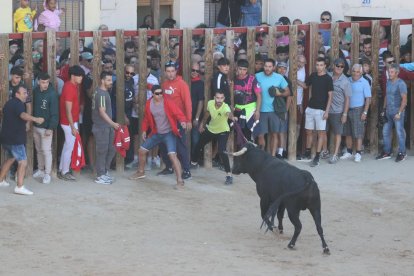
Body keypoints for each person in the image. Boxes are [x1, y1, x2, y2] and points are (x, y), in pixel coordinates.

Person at [129, 85, 188, 189]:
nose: (160, 95)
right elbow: (147, 118)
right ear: (152, 94)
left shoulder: (167, 102)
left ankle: (180, 181)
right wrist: (144, 130)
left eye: (161, 93)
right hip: (157, 133)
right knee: (141, 150)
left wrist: (183, 121)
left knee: (172, 156)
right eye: (157, 93)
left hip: (169, 133)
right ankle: (141, 172)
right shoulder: (149, 104)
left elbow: (178, 113)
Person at [0, 85, 44, 195]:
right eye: (23, 93)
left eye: (26, 93)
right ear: (17, 94)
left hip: (6, 138)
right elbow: (23, 115)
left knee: (11, 158)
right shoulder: (18, 104)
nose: (26, 95)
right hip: (15, 139)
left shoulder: (9, 103)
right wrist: (36, 119)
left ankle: (0, 180)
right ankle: (19, 186)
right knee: (23, 162)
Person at [191, 90, 237, 185]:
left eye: (221, 98)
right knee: (198, 144)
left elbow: (229, 114)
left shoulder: (225, 107)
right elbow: (207, 114)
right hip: (211, 129)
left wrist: (233, 118)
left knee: (222, 151)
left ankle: (229, 175)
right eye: (217, 98)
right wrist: (202, 125)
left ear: (224, 99)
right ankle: (194, 163)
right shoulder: (210, 103)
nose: (219, 100)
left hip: (223, 131)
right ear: (214, 98)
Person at [297, 57, 333, 167]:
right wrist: (293, 78)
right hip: (311, 108)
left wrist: (327, 111)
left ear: (325, 66)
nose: (319, 67)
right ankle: (308, 153)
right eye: (317, 65)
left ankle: (317, 156)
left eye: (321, 65)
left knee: (321, 133)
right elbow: (305, 86)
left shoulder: (328, 78)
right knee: (308, 131)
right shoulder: (313, 75)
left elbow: (330, 96)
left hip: (321, 110)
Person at [159, 61, 192, 179]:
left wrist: (188, 120)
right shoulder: (164, 84)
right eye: (168, 71)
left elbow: (188, 103)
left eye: (172, 71)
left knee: (180, 145)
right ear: (165, 72)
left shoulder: (182, 84)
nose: (171, 73)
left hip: (179, 120)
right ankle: (169, 167)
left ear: (176, 71)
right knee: (163, 144)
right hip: (166, 120)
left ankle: (187, 170)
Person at [255, 58, 290, 156]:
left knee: (274, 134)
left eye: (270, 66)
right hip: (260, 110)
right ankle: (261, 156)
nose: (267, 68)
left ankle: (273, 156)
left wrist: (279, 93)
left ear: (274, 67)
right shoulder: (257, 76)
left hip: (275, 111)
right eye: (266, 66)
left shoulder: (279, 77)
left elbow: (288, 92)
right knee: (261, 135)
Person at [92, 71, 120, 184]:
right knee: (102, 151)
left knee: (111, 149)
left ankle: (104, 171)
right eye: (108, 80)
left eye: (111, 80)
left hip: (105, 127)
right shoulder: (102, 93)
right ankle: (100, 175)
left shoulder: (101, 92)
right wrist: (113, 123)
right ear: (102, 80)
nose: (111, 82)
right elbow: (102, 112)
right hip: (102, 127)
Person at [376, 64, 408, 162]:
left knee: (400, 132)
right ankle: (387, 152)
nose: (389, 74)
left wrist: (399, 112)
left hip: (397, 112)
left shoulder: (401, 83)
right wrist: (383, 109)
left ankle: (402, 152)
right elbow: (386, 96)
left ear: (397, 73)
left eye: (392, 72)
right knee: (385, 131)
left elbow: (404, 100)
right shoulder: (388, 82)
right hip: (388, 112)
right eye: (389, 72)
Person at [58, 65, 84, 181]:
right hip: (69, 122)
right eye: (79, 76)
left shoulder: (72, 86)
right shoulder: (69, 87)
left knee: (67, 146)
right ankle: (65, 171)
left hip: (69, 122)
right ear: (73, 76)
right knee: (70, 147)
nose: (81, 78)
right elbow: (68, 110)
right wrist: (73, 126)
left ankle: (62, 169)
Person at [341, 64, 371, 163]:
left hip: (358, 109)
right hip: (347, 109)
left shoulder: (365, 82)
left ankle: (358, 153)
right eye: (354, 71)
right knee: (347, 132)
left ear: (361, 72)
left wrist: (365, 112)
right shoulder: (347, 80)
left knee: (358, 133)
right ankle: (349, 151)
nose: (355, 73)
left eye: (358, 72)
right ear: (351, 71)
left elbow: (368, 99)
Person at [32, 72, 59, 184]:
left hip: (46, 128)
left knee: (46, 150)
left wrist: (51, 127)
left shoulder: (52, 94)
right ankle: (41, 169)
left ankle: (47, 174)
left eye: (47, 82)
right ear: (38, 82)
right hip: (36, 126)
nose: (45, 84)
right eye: (43, 82)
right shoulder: (36, 91)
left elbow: (55, 113)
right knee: (39, 149)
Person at [327, 58, 351, 164]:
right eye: (338, 65)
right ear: (333, 65)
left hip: (338, 111)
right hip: (326, 109)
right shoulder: (328, 76)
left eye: (342, 66)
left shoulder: (345, 81)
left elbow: (347, 99)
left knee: (338, 133)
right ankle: (324, 151)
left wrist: (344, 113)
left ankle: (335, 154)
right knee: (322, 131)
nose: (339, 68)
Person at [233, 59, 262, 141]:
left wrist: (257, 111)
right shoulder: (233, 80)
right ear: (236, 68)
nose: (242, 71)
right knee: (239, 133)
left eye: (244, 69)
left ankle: (250, 152)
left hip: (250, 110)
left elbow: (259, 96)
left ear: (247, 70)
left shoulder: (252, 79)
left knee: (249, 133)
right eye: (240, 69)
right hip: (237, 109)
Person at [190, 62, 205, 158]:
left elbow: (201, 101)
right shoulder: (185, 81)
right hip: (185, 116)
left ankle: (195, 160)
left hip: (195, 116)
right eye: (193, 70)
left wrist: (196, 118)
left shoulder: (200, 83)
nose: (195, 72)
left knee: (195, 139)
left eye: (197, 71)